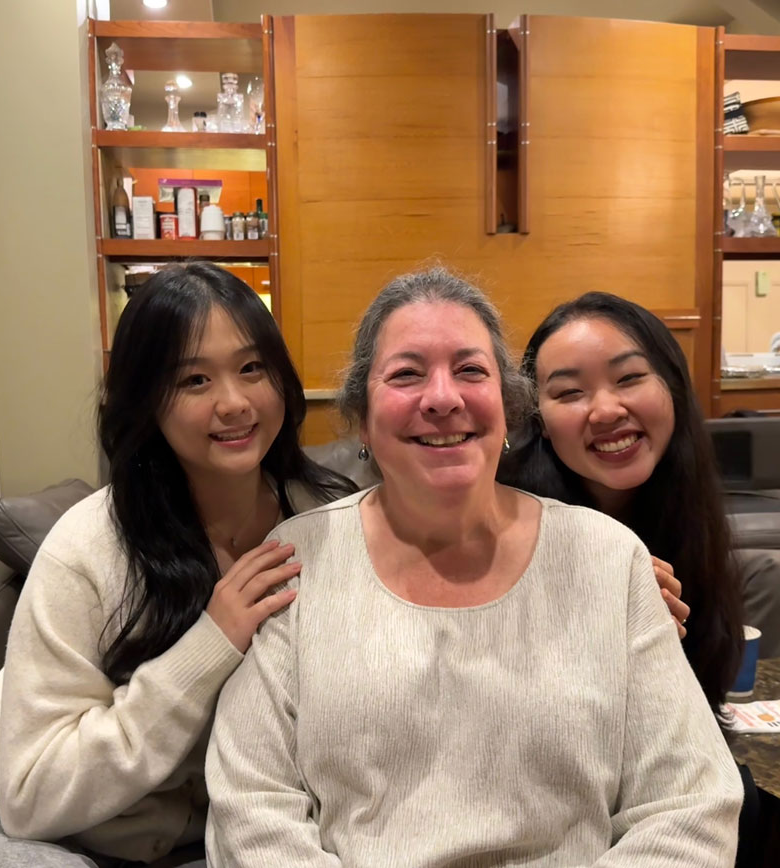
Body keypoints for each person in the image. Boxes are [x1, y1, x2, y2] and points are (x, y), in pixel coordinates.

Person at [205, 268, 742, 867]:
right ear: (360, 415)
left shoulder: (609, 558)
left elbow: (690, 805)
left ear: (510, 409)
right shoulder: (298, 559)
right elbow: (251, 807)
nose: (443, 397)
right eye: (407, 374)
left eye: (470, 370)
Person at [0, 263, 353, 868]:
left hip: (200, 837)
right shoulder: (92, 546)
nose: (234, 403)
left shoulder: (323, 518)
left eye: (251, 368)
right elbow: (31, 799)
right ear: (146, 402)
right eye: (194, 381)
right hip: (5, 821)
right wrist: (210, 644)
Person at [497, 292, 777, 868]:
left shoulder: (690, 513)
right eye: (569, 392)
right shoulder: (505, 520)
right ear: (539, 421)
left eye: (628, 379)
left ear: (671, 386)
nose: (605, 410)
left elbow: (692, 725)